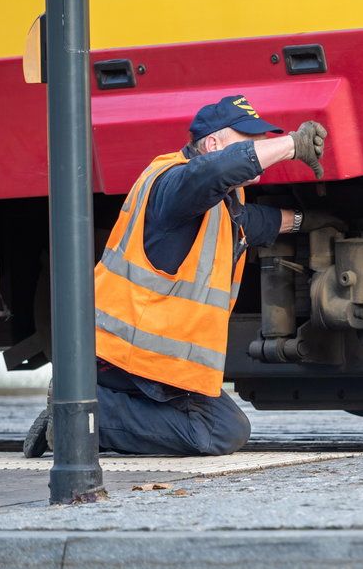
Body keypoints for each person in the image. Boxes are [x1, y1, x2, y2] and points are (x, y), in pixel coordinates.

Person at [24, 95, 335, 457]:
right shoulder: (177, 182)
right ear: (214, 144)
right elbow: (214, 172)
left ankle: (81, 408)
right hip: (123, 354)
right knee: (216, 432)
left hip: (144, 358)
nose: (261, 148)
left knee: (230, 427)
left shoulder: (218, 199)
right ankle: (76, 419)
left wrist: (308, 220)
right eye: (250, 140)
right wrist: (293, 145)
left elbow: (250, 222)